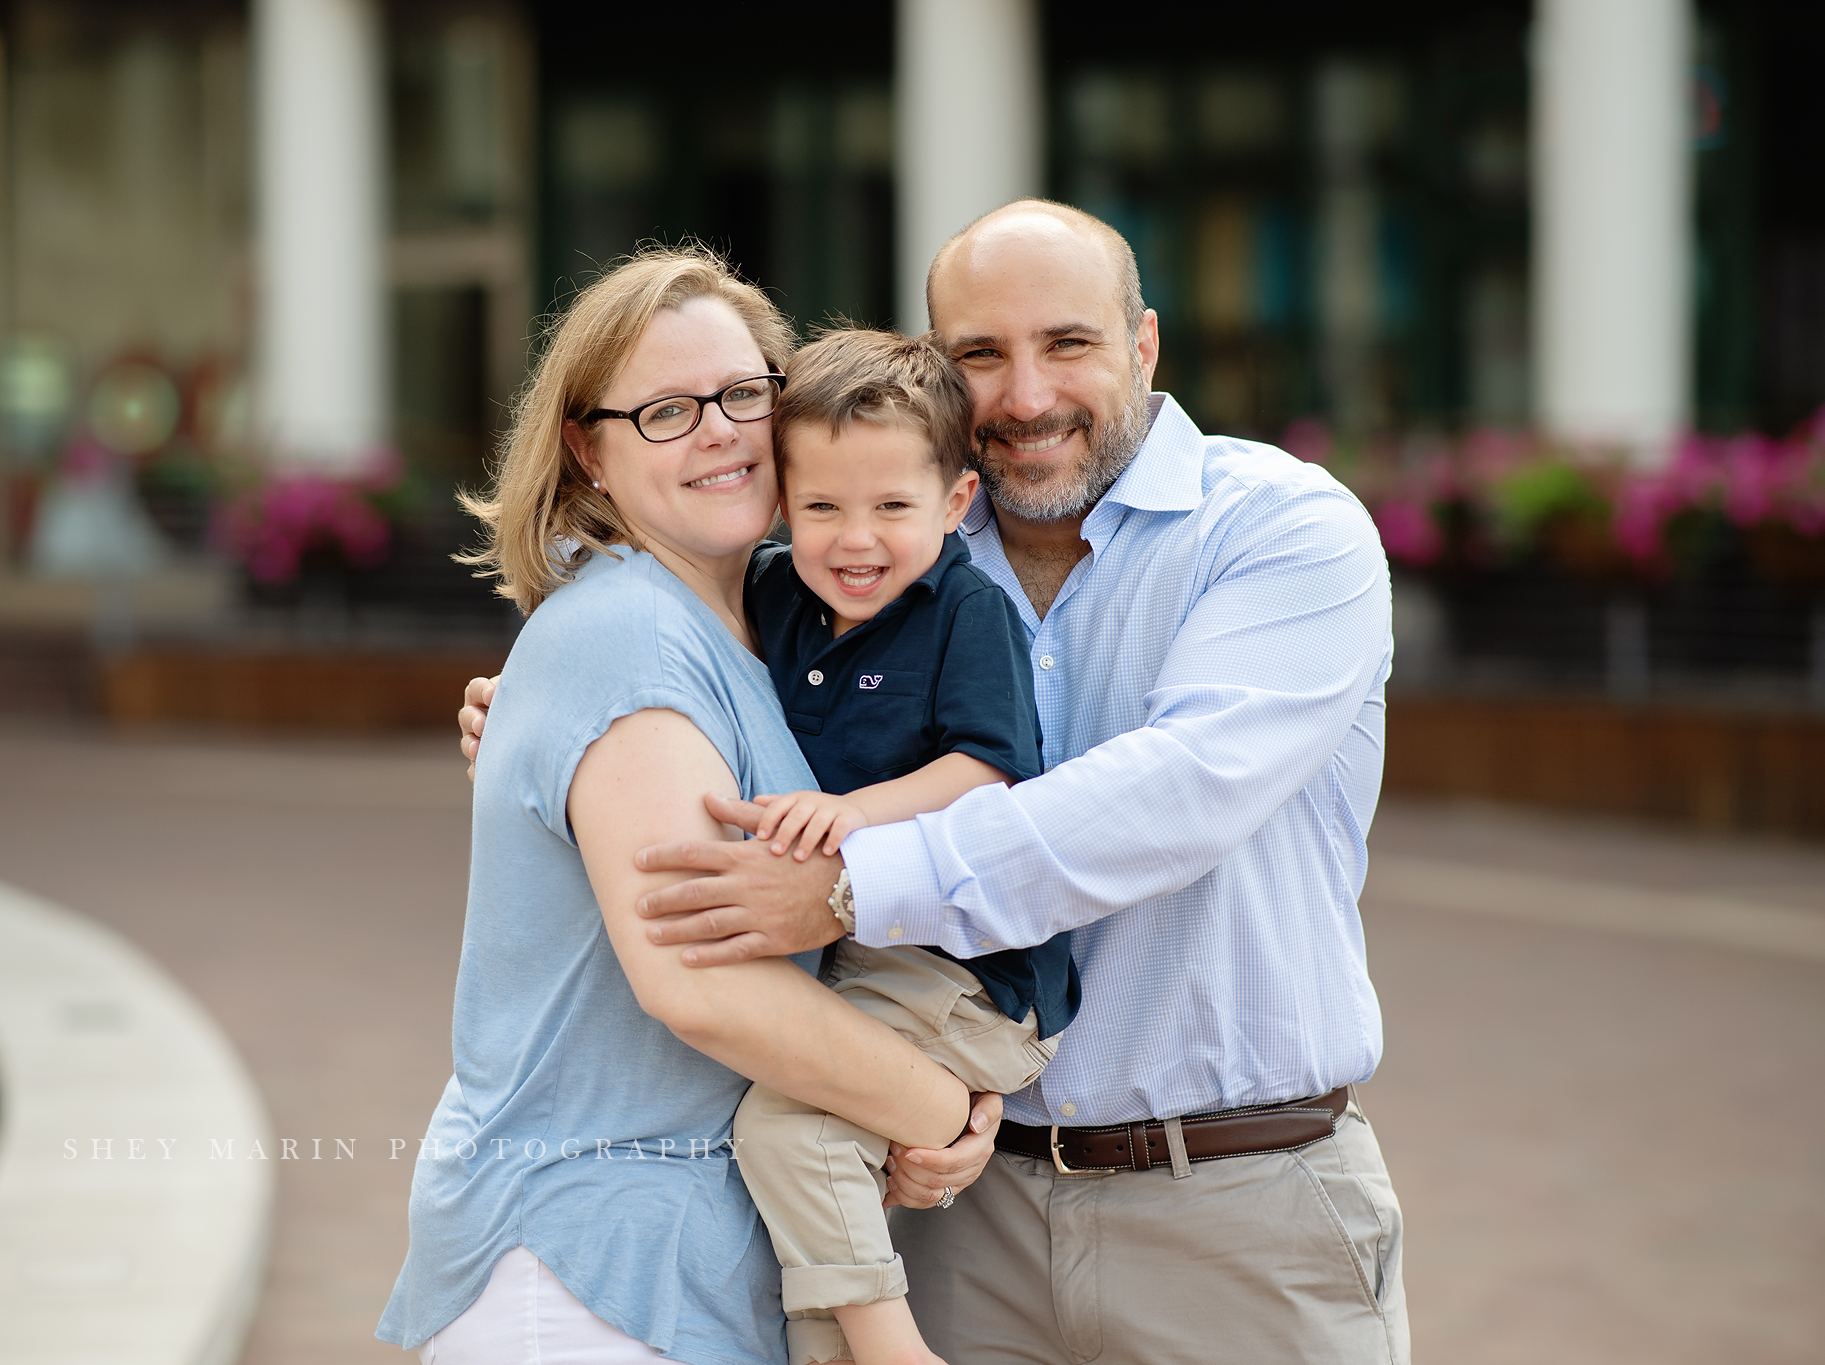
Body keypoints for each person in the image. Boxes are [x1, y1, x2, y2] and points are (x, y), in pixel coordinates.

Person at [460, 199, 1407, 1364]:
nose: (1022, 394)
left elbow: (1177, 795)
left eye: (1067, 343)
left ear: (1144, 345)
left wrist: (853, 881)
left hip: (1231, 1206)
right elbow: (687, 657)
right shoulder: (882, 550)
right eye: (978, 355)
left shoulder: (1277, 529)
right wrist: (557, 724)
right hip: (957, 1210)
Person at [380, 246, 1004, 1365]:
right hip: (589, 1271)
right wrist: (940, 1109)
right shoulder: (626, 632)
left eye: (740, 393)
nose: (717, 430)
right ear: (589, 449)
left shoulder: (767, 628)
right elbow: (700, 980)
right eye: (664, 410)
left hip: (679, 1265)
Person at [730, 328, 1080, 1365]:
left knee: (785, 1130)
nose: (855, 540)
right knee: (811, 1175)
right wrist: (513, 703)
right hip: (861, 959)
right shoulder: (769, 595)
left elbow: (987, 769)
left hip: (969, 976)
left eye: (892, 507)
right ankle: (832, 1345)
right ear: (780, 501)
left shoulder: (966, 610)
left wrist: (858, 811)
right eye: (823, 507)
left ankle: (895, 1354)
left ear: (956, 501)